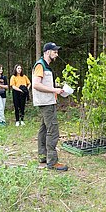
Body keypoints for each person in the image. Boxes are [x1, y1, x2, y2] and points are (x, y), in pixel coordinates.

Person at [32, 42, 68, 171]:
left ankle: (43, 156)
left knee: (43, 129)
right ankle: (52, 162)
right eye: (55, 52)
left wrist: (56, 89)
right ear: (47, 52)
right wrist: (54, 90)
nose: (56, 54)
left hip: (46, 101)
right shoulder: (40, 65)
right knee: (53, 131)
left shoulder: (45, 66)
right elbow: (36, 84)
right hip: (46, 103)